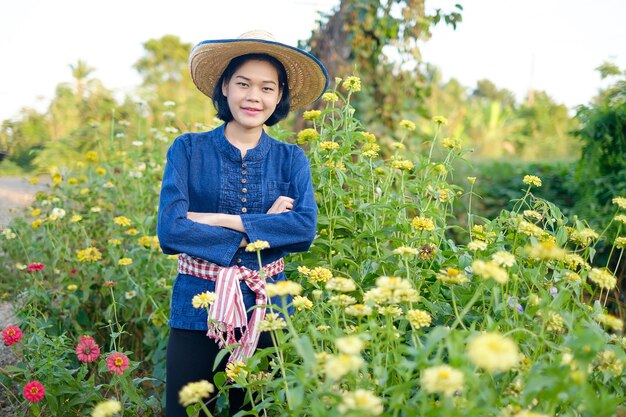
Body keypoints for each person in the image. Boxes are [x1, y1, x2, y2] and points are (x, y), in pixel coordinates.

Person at [156, 30, 329, 417]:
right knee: (185, 411)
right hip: (196, 304)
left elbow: (303, 229)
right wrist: (263, 226)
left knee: (255, 410)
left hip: (268, 308)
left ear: (280, 95)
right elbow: (170, 231)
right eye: (243, 84)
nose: (254, 96)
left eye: (267, 87)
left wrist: (220, 219)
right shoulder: (187, 149)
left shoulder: (291, 158)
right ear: (224, 87)